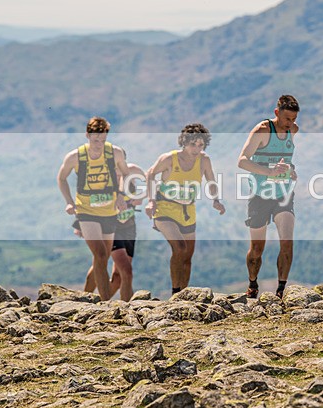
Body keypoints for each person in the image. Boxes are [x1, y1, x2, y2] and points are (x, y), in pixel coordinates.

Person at [145, 123, 225, 294]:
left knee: (187, 256)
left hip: (187, 211)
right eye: (192, 144)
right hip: (165, 208)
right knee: (179, 248)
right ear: (184, 142)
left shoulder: (204, 160)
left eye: (200, 145)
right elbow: (150, 174)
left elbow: (211, 181)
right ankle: (175, 292)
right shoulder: (169, 158)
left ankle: (184, 294)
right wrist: (151, 201)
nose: (196, 148)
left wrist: (216, 200)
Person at [57, 116, 130, 301]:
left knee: (102, 260)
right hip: (86, 211)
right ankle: (105, 303)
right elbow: (62, 178)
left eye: (103, 140)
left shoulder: (115, 153)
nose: (99, 144)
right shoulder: (75, 156)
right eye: (95, 139)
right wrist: (69, 201)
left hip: (109, 211)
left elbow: (125, 174)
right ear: (87, 135)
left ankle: (85, 297)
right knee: (100, 253)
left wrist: (121, 195)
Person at [237, 95, 299, 299]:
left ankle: (281, 291)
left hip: (283, 194)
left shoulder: (293, 131)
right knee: (257, 249)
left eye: (294, 119)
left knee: (287, 242)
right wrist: (270, 172)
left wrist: (290, 170)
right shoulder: (263, 130)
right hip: (259, 195)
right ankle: (253, 283)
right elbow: (243, 161)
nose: (291, 124)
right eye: (287, 118)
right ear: (276, 113)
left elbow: (285, 159)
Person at [80, 159, 145, 301]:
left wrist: (142, 197)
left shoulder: (133, 170)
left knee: (117, 277)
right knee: (126, 271)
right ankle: (124, 308)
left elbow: (151, 182)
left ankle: (94, 304)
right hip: (109, 227)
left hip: (128, 228)